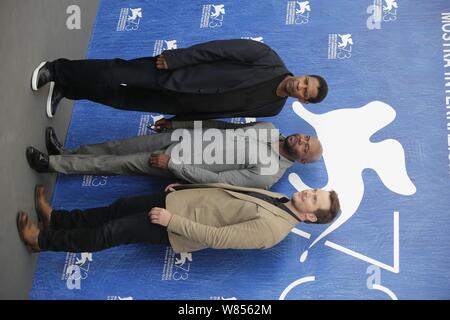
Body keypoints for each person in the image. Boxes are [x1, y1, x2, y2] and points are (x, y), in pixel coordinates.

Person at [31, 39, 328, 119]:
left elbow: (226, 114)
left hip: (178, 103)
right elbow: (217, 49)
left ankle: (67, 89)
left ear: (303, 100)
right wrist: (177, 58)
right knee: (114, 72)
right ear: (303, 75)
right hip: (177, 72)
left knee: (118, 99)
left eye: (305, 91)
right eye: (305, 81)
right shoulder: (267, 57)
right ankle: (56, 69)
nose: (300, 86)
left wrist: (177, 121)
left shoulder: (273, 109)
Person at [17, 183, 340, 253]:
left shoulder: (273, 230)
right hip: (178, 199)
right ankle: (57, 219)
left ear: (311, 217)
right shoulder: (283, 199)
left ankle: (42, 240)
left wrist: (171, 220)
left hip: (172, 222)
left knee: (111, 232)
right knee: (116, 208)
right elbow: (231, 191)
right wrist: (188, 186)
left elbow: (218, 238)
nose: (309, 191)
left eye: (314, 197)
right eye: (315, 189)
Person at [26, 120, 323, 189]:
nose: (302, 140)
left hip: (175, 162)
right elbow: (223, 127)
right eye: (306, 137)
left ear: (303, 160)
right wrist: (181, 126)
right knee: (116, 146)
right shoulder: (270, 129)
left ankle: (51, 164)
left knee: (112, 164)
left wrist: (174, 164)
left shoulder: (269, 174)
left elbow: (216, 182)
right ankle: (65, 152)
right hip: (182, 137)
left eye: (306, 147)